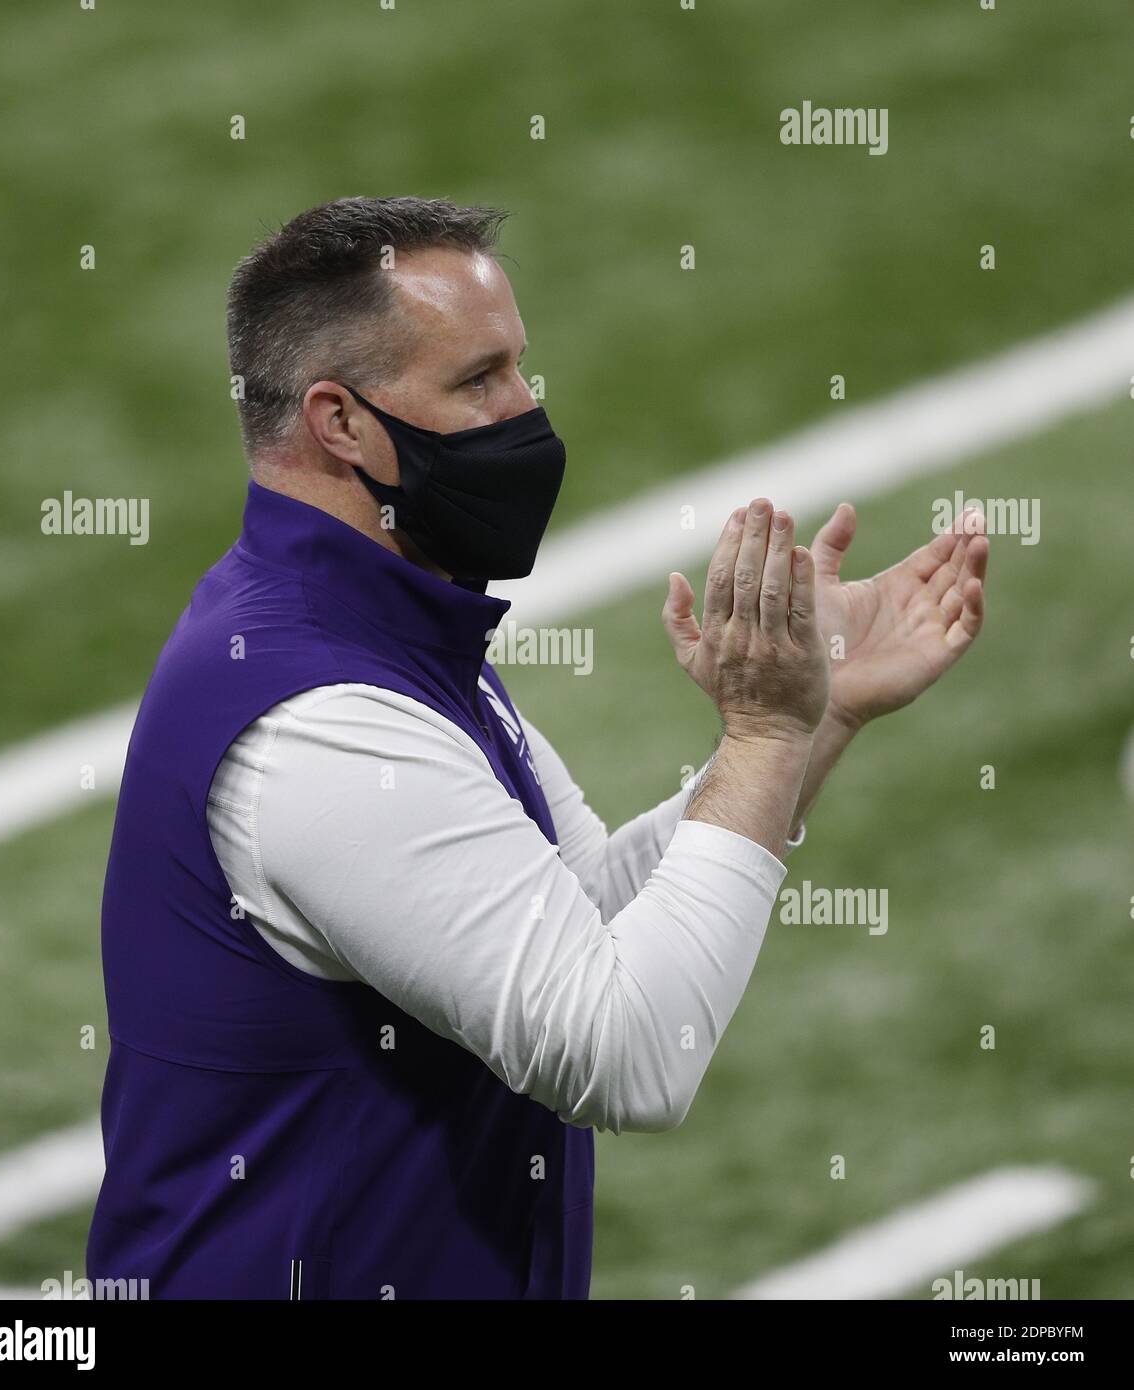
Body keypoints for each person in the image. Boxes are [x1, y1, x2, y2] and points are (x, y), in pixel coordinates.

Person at [86, 196, 988, 1299]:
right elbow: (624, 1054)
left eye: (519, 366)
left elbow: (583, 911)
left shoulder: (383, 625)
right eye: (479, 380)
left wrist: (814, 717)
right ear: (340, 422)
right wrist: (759, 730)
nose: (526, 410)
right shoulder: (321, 723)